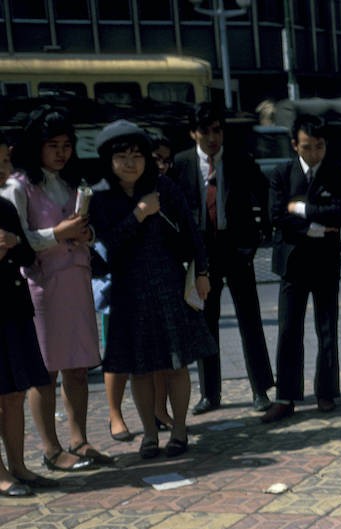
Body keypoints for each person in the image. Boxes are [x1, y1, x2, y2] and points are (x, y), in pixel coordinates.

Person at [89, 120, 217, 460]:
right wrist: (139, 215)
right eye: (122, 157)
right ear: (108, 160)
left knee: (177, 365)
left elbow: (192, 232)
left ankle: (179, 429)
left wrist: (202, 271)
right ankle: (149, 433)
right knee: (139, 368)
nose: (131, 163)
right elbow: (103, 250)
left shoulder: (164, 187)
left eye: (137, 155)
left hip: (168, 286)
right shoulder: (101, 198)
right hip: (128, 293)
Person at [2, 107, 102, 473]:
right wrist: (57, 234)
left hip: (76, 280)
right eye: (53, 145)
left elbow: (86, 228)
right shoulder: (19, 185)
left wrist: (87, 234)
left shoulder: (72, 181)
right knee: (45, 370)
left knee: (78, 366)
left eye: (67, 145)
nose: (62, 153)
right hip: (41, 285)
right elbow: (18, 239)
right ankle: (50, 447)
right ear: (35, 147)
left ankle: (79, 439)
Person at [172, 102, 274, 415]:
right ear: (193, 133)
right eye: (205, 131)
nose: (213, 138)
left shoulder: (239, 160)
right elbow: (174, 208)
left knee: (250, 320)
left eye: (217, 130)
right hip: (202, 252)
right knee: (206, 321)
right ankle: (210, 393)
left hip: (237, 248)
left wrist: (259, 235)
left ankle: (260, 389)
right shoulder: (183, 163)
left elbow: (265, 193)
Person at [261, 114, 341, 424]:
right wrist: (314, 228)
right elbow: (276, 216)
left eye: (319, 146)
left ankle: (326, 391)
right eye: (307, 147)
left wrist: (301, 209)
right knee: (288, 329)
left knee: (327, 327)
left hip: (326, 262)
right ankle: (285, 396)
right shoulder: (281, 174)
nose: (313, 153)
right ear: (294, 145)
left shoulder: (337, 173)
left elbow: (340, 212)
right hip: (293, 261)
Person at [0, 132, 56, 495]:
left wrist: (16, 245)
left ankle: (18, 464)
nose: (6, 169)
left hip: (12, 307)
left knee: (15, 392)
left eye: (6, 160)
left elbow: (26, 257)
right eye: (1, 161)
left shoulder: (4, 207)